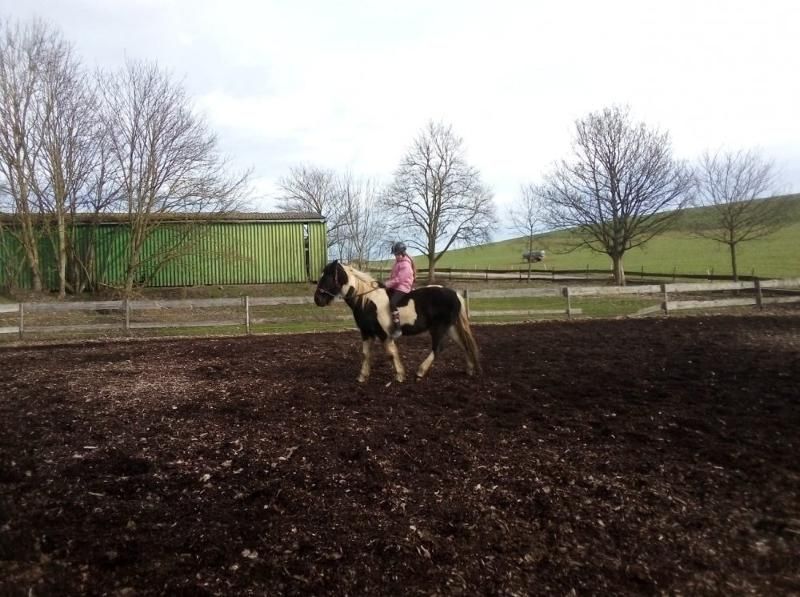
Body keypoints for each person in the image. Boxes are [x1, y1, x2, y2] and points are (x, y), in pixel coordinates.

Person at [384, 241, 416, 339]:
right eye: (395, 254)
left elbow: (399, 279)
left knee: (392, 303)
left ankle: (398, 328)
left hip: (403, 287)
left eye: (397, 254)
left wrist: (387, 284)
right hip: (396, 286)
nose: (396, 256)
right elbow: (394, 277)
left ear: (402, 253)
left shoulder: (406, 265)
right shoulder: (398, 263)